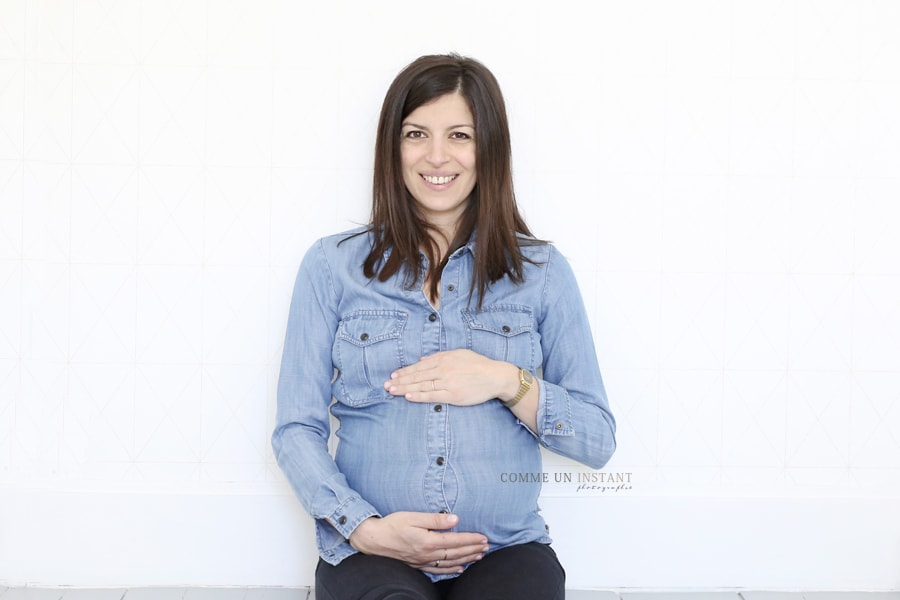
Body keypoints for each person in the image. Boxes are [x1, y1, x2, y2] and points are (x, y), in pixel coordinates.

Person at [272, 53, 616, 600]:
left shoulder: (544, 273)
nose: (437, 155)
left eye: (460, 134)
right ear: (393, 146)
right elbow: (296, 429)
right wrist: (364, 528)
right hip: (369, 551)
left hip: (506, 550)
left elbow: (596, 440)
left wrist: (506, 379)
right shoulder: (331, 266)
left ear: (489, 150)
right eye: (416, 133)